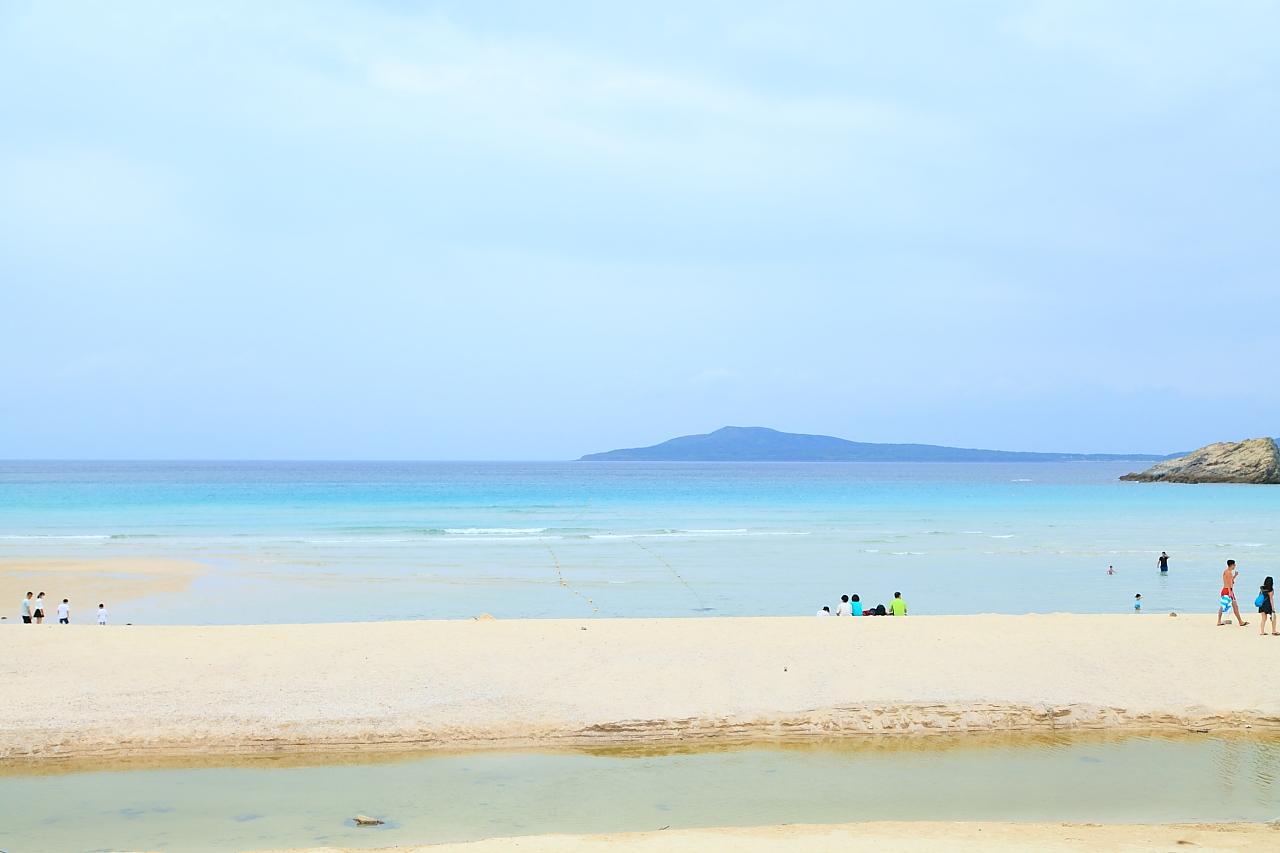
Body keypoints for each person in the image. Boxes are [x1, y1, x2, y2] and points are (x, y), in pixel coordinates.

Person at [1218, 559, 1248, 627]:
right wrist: (1230, 592)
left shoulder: (1227, 572)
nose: (1235, 566)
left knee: (1234, 606)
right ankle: (1219, 621)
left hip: (1228, 590)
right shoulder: (1228, 572)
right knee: (1225, 606)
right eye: (1234, 564)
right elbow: (1229, 583)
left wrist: (1235, 576)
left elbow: (1230, 580)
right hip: (1228, 591)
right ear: (1231, 565)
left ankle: (1240, 621)